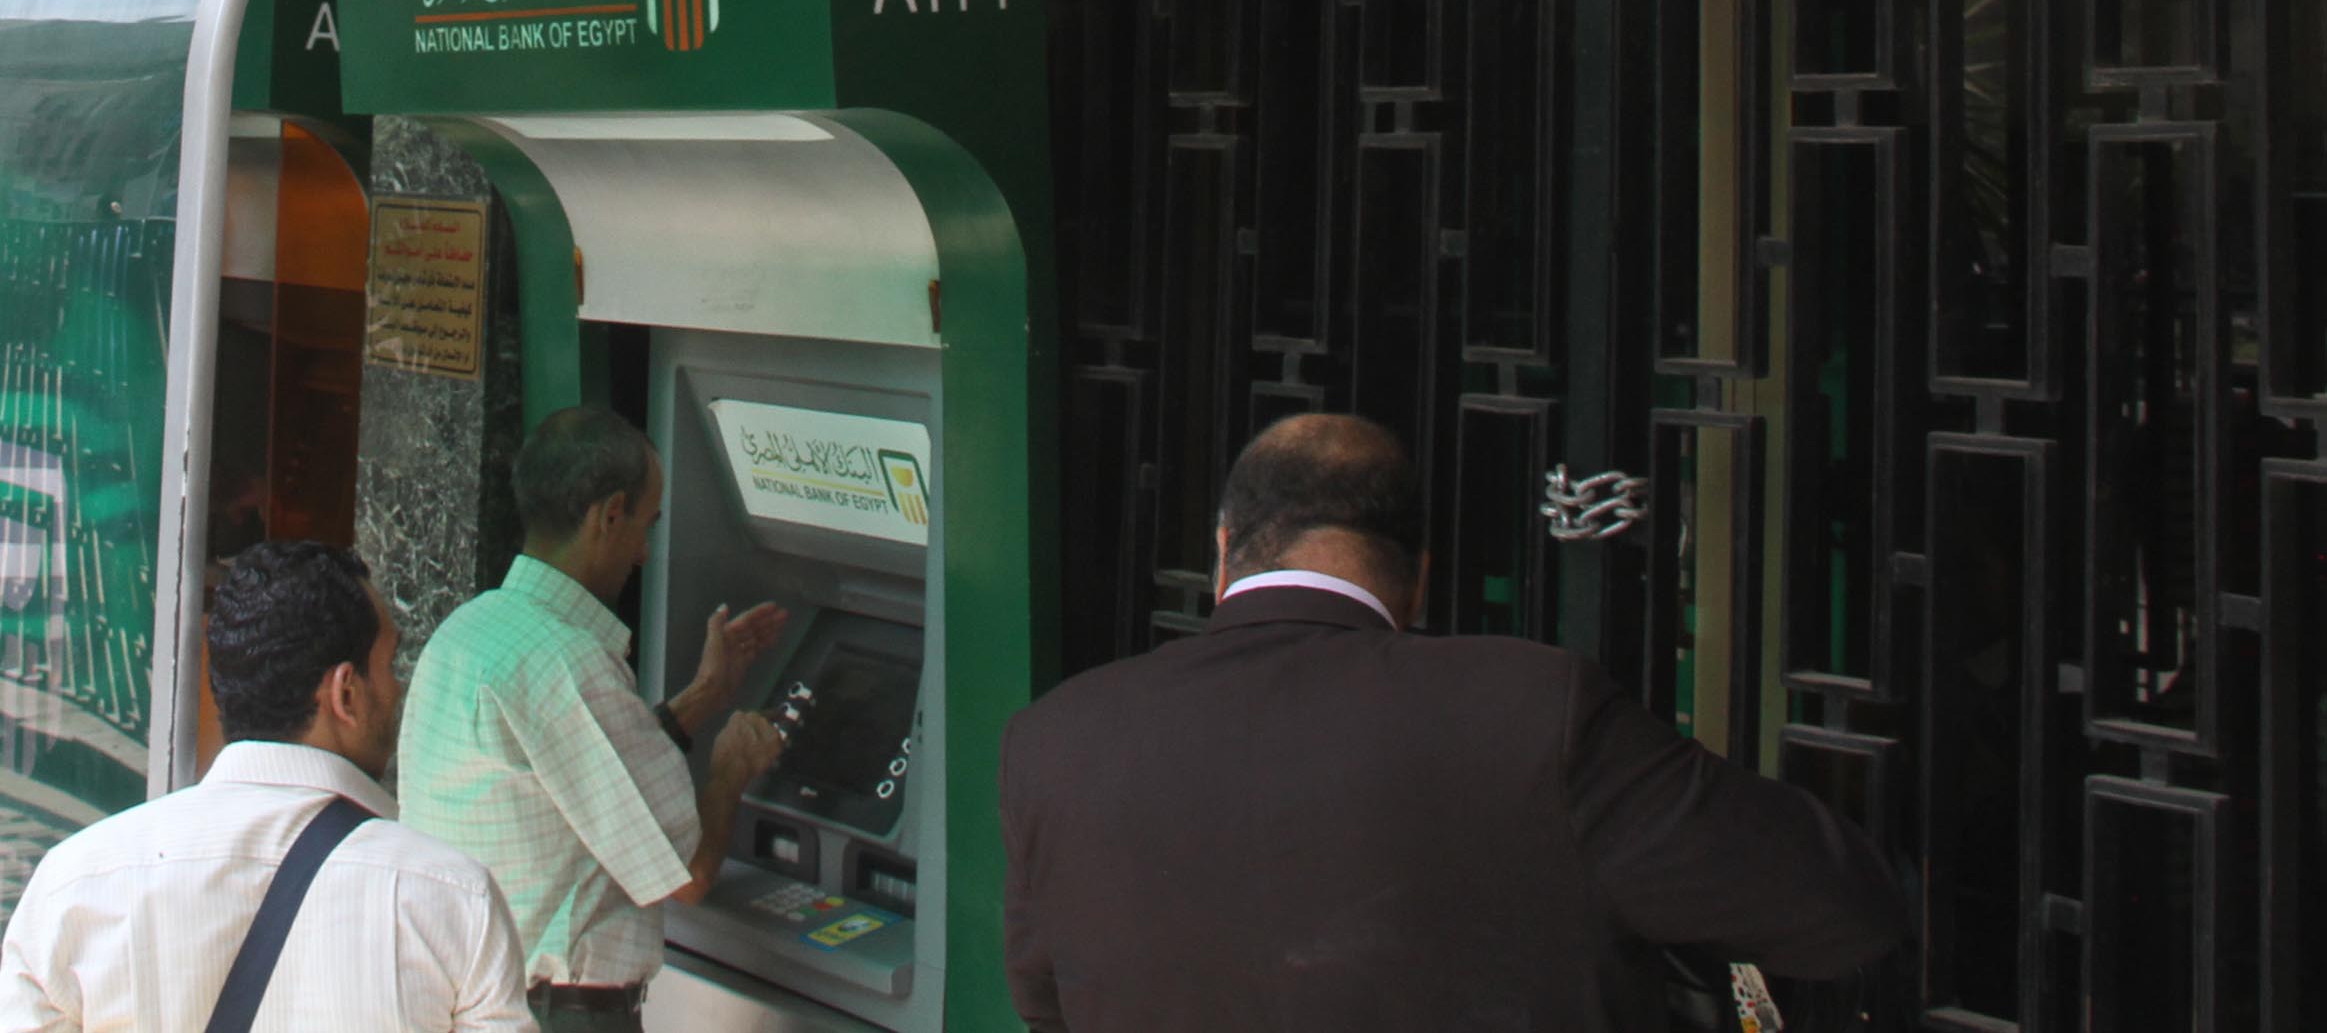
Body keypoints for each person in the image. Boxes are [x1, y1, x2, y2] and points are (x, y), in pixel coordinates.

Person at [998, 412, 1909, 1033]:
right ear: (1418, 576)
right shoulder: (1534, 712)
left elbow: (1046, 1005)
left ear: (1224, 548)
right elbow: (1837, 913)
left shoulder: (1055, 737)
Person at [0, 540, 530, 1032]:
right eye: (389, 665)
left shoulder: (77, 883)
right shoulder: (453, 899)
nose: (399, 687)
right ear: (346, 693)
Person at [398, 405, 788, 1033]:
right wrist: (729, 771)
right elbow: (688, 876)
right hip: (559, 1015)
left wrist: (704, 695)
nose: (644, 553)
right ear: (609, 515)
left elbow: (582, 774)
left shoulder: (469, 631)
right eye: (646, 524)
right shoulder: (565, 661)